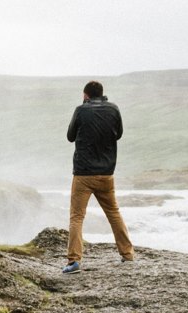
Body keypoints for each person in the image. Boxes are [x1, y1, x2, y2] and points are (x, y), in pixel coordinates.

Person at [63, 80, 135, 273]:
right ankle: (127, 254)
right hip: (106, 174)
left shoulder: (80, 110)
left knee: (77, 217)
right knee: (113, 213)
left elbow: (70, 136)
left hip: (83, 174)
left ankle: (74, 261)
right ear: (102, 94)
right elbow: (118, 134)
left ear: (86, 95)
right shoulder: (114, 109)